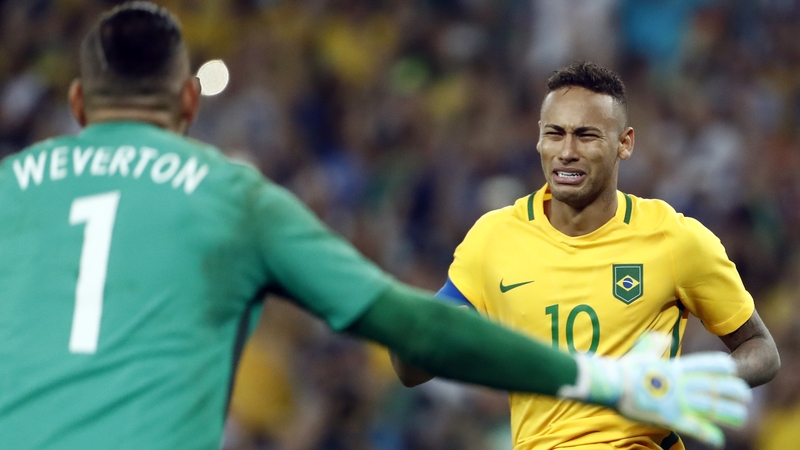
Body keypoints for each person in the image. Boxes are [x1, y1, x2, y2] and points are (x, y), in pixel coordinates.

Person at [0, 4, 750, 449]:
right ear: (190, 104)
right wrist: (611, 378)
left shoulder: (9, 189)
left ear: (75, 104)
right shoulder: (232, 195)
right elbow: (416, 332)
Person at [391, 61, 781, 449]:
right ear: (539, 140)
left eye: (587, 135)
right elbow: (410, 367)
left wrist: (696, 378)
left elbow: (762, 351)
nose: (567, 151)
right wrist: (415, 331)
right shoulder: (493, 238)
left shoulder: (676, 238)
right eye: (555, 134)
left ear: (624, 143)